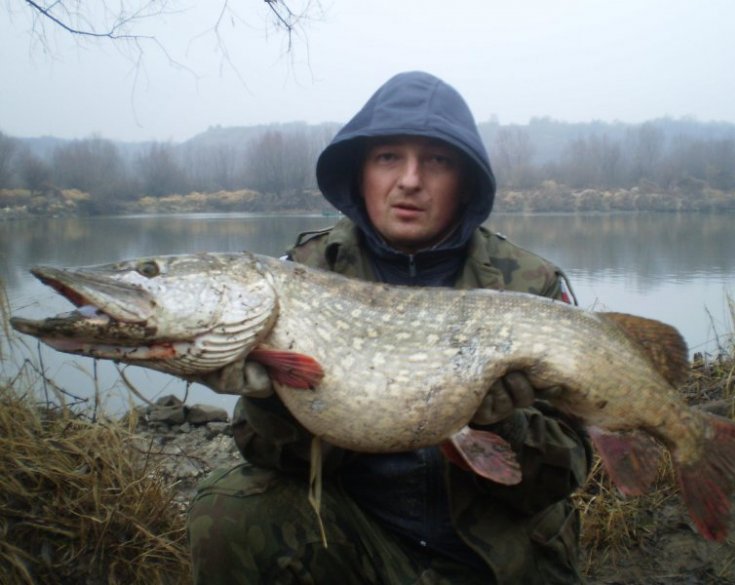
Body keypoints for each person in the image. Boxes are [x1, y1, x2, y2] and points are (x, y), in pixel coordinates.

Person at [187, 71, 592, 584]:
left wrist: (503, 423)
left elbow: (565, 473)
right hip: (361, 545)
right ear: (360, 172)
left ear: (465, 179)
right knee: (230, 508)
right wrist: (273, 402)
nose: (410, 180)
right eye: (387, 158)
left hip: (496, 561)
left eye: (437, 160)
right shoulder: (303, 274)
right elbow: (268, 457)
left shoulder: (531, 283)